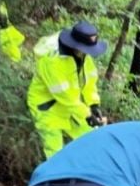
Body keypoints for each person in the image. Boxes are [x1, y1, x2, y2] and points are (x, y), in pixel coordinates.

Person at [27, 21, 107, 159]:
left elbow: (89, 82)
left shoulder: (83, 56)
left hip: (72, 107)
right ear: (77, 45)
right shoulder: (52, 61)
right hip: (47, 108)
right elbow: (64, 95)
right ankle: (53, 179)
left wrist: (94, 105)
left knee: (92, 139)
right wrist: (87, 115)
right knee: (55, 154)